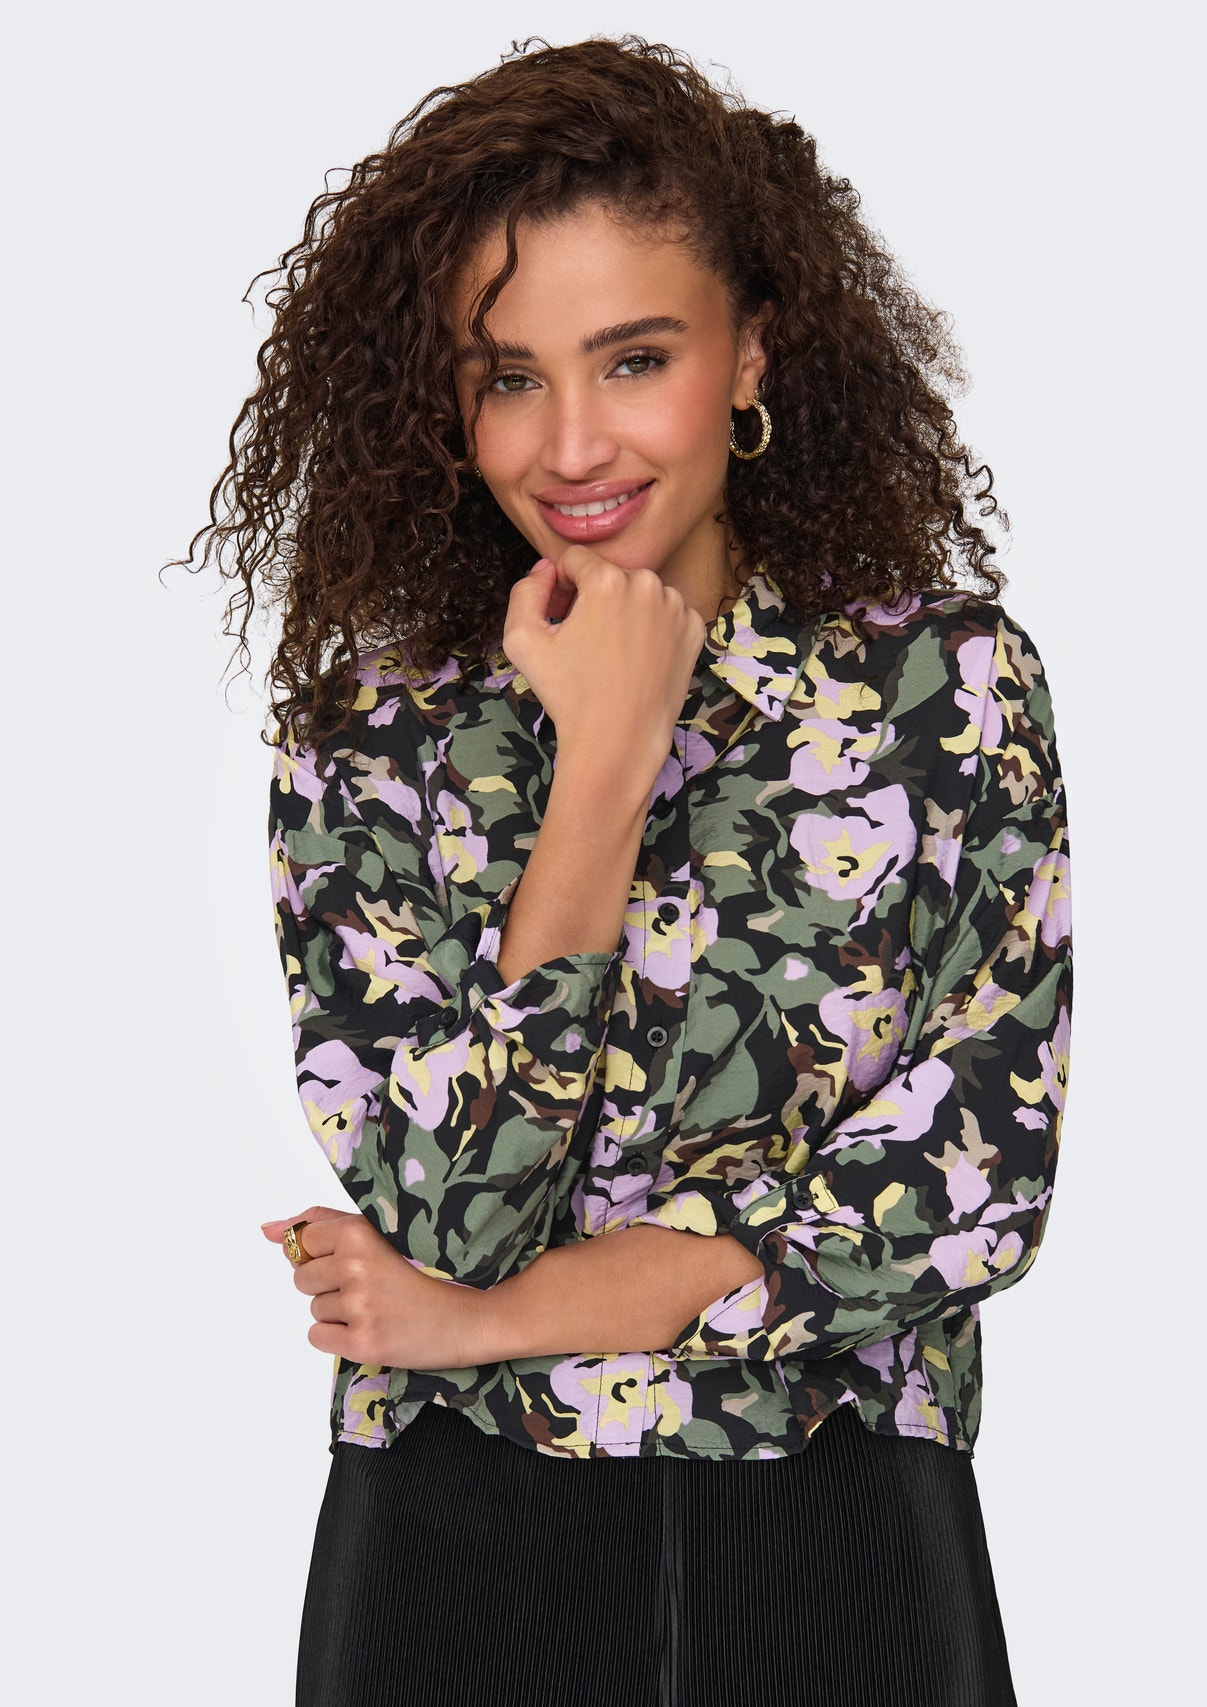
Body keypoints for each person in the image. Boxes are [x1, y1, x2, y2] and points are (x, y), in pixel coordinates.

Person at [189, 35, 1071, 1707]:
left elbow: (971, 1188)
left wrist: (477, 1324)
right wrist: (605, 761)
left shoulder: (944, 690)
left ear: (753, 352)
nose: (573, 445)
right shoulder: (374, 736)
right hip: (455, 1547)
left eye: (635, 359)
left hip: (841, 1526)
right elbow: (449, 1207)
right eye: (508, 376)